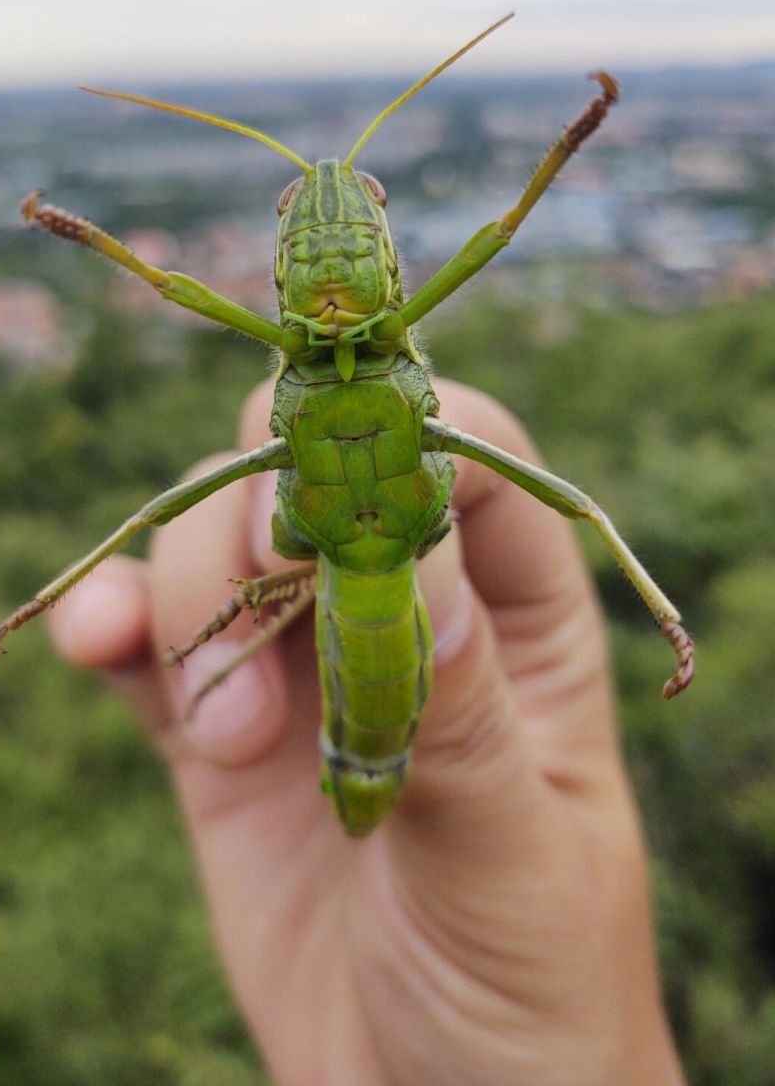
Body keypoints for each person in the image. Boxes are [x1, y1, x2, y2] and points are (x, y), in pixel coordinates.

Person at [49, 379, 686, 1086]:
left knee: (337, 545)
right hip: (329, 725)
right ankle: (244, 637)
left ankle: (243, 636)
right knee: (322, 547)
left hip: (374, 706)